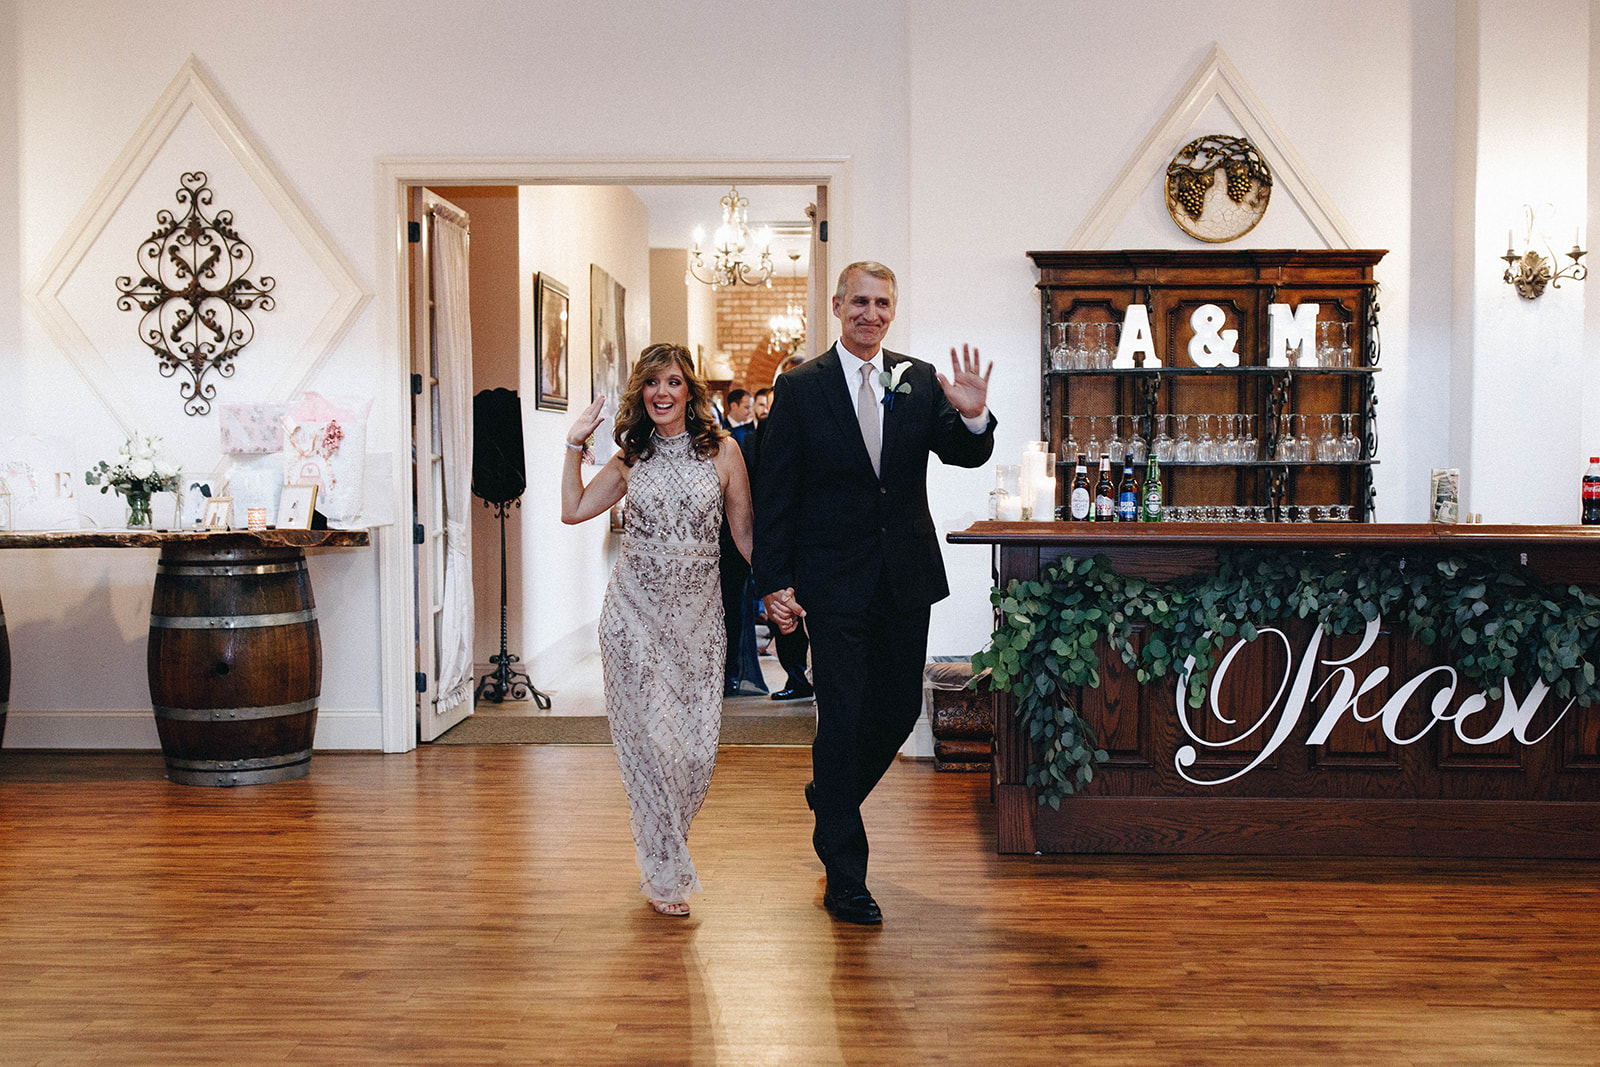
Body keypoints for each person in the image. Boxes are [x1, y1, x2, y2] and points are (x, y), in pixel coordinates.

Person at [752, 261, 995, 925]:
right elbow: (776, 490)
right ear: (837, 306)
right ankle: (846, 877)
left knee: (895, 710)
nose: (871, 313)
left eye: (882, 303)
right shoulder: (800, 387)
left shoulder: (919, 378)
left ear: (893, 309)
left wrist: (973, 416)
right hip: (831, 581)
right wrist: (774, 581)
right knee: (842, 716)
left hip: (905, 576)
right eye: (859, 301)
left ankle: (830, 796)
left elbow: (963, 452)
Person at [562, 342, 753, 918]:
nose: (662, 393)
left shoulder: (723, 452)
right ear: (640, 392)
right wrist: (573, 445)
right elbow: (574, 509)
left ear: (689, 390)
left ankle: (664, 848)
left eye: (672, 382)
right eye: (651, 383)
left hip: (699, 623)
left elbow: (745, 536)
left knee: (694, 752)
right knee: (650, 744)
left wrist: (784, 590)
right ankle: (665, 872)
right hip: (632, 618)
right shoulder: (631, 457)